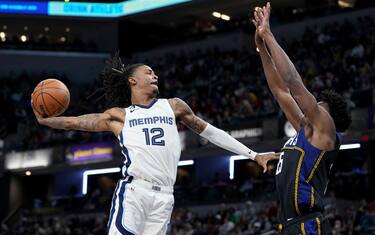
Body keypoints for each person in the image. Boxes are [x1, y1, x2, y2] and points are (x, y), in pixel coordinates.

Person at [32, 53, 278, 235]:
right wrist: (47, 120)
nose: (155, 75)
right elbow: (79, 122)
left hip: (165, 198)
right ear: (132, 80)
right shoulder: (120, 115)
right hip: (135, 192)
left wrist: (253, 154)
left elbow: (212, 133)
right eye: (148, 72)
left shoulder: (173, 106)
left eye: (154, 73)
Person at [252, 3, 351, 235]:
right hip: (288, 225)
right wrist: (261, 48)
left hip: (308, 224)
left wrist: (268, 34)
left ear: (328, 117)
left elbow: (293, 83)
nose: (313, 106)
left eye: (319, 106)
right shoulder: (304, 129)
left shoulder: (325, 130)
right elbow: (280, 92)